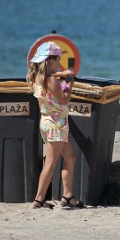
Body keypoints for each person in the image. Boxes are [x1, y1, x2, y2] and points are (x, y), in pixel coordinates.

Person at [27, 42, 84, 209]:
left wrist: (62, 74)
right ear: (50, 61)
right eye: (58, 59)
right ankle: (39, 199)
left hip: (49, 121)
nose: (59, 63)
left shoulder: (38, 77)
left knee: (71, 156)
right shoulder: (51, 79)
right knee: (51, 162)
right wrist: (69, 83)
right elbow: (64, 99)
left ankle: (67, 195)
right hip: (55, 124)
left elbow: (53, 82)